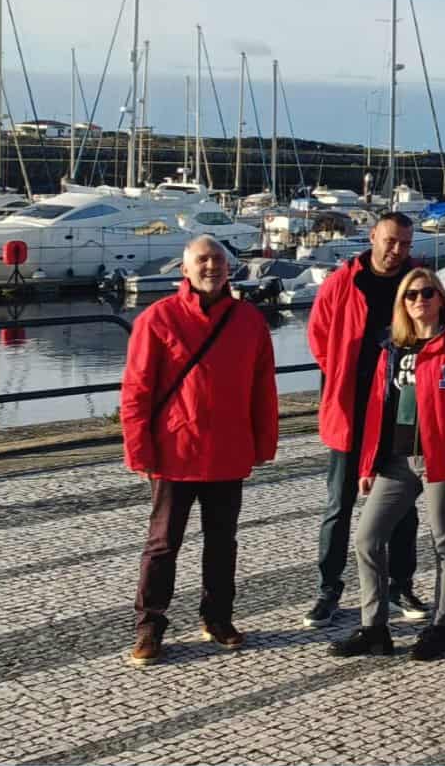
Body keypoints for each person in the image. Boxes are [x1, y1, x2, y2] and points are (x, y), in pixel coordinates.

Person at [121, 235, 280, 666]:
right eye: (203, 260)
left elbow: (263, 386)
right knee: (162, 544)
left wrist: (264, 442)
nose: (212, 267)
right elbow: (136, 390)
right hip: (175, 451)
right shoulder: (158, 319)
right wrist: (138, 450)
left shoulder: (248, 320)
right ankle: (150, 626)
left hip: (228, 449)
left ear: (229, 268)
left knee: (223, 542)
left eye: (219, 260)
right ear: (185, 269)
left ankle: (218, 617)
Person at [331, 267, 445, 661]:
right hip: (396, 461)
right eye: (411, 294)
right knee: (367, 539)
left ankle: (441, 627)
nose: (420, 300)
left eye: (427, 293)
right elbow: (375, 409)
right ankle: (374, 628)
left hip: (441, 460)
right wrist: (367, 465)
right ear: (403, 302)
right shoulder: (393, 348)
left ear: (441, 299)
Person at [306, 212, 426, 628]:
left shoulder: (417, 282)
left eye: (405, 244)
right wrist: (343, 375)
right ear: (373, 236)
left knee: (403, 503)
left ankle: (400, 584)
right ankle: (329, 587)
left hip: (400, 409)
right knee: (338, 503)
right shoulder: (344, 282)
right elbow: (319, 336)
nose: (397, 250)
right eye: (391, 241)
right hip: (352, 407)